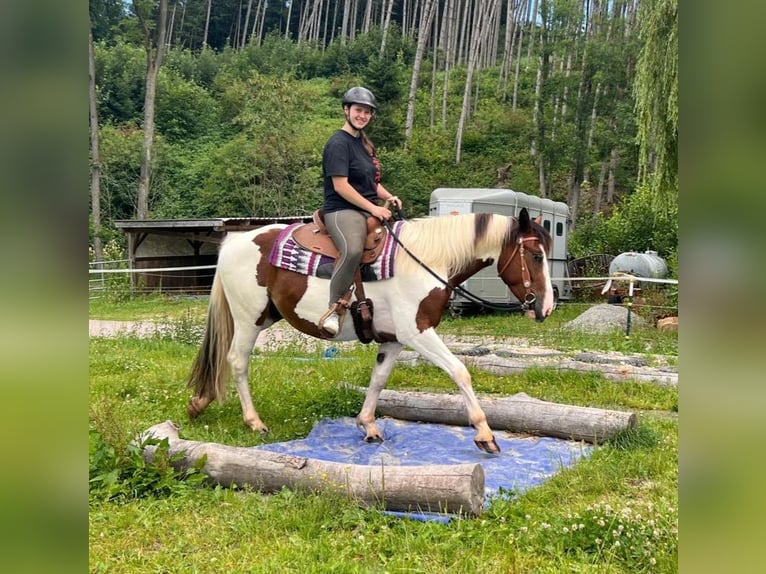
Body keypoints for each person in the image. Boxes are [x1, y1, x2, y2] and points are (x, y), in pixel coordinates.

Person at [319, 86, 403, 336]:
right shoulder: (337, 143)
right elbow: (341, 185)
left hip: (366, 208)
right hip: (342, 210)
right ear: (346, 110)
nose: (362, 116)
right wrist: (374, 208)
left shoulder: (363, 144)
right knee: (353, 249)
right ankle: (334, 309)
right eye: (358, 110)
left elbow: (370, 183)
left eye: (367, 112)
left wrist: (388, 197)